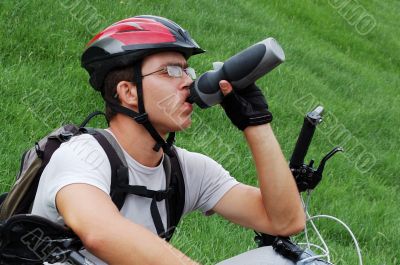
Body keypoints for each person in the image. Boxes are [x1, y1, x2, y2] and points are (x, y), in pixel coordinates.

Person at [31, 15, 305, 264]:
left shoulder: (187, 170)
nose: (188, 81)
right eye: (171, 71)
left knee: (282, 260)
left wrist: (256, 124)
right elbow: (100, 233)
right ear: (128, 92)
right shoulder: (81, 156)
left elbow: (284, 221)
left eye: (187, 71)